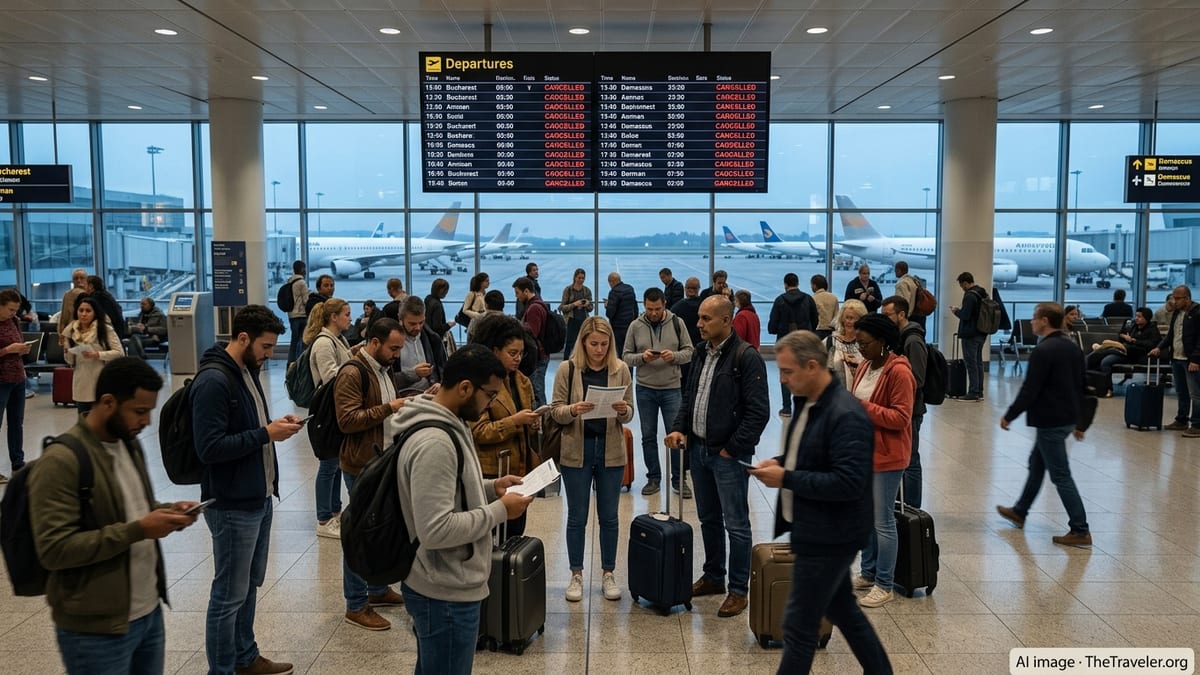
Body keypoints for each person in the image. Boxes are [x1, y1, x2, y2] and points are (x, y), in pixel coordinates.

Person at [28, 358, 201, 675]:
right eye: (138, 411)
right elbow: (54, 550)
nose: (147, 421)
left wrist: (166, 512)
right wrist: (139, 529)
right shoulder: (61, 461)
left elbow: (134, 509)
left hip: (148, 612)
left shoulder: (128, 445)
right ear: (107, 402)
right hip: (95, 629)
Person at [747, 332, 892, 675]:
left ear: (812, 366)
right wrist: (780, 461)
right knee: (843, 610)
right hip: (815, 526)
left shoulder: (845, 414)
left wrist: (786, 478)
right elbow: (810, 454)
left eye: (787, 371)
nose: (781, 379)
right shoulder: (811, 401)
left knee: (798, 628)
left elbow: (847, 482)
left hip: (832, 534)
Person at [395, 344, 534, 675]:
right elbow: (436, 529)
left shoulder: (448, 421)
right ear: (465, 388)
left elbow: (449, 489)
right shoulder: (435, 443)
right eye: (489, 395)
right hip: (443, 591)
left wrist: (490, 489)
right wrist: (500, 510)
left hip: (445, 583)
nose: (490, 404)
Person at [193, 305, 302, 675]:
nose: (271, 354)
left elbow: (249, 426)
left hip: (258, 495)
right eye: (267, 347)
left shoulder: (246, 371)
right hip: (231, 504)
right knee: (228, 594)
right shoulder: (214, 381)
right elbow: (209, 448)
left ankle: (245, 656)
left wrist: (272, 426)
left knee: (248, 586)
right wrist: (265, 434)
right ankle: (221, 669)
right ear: (242, 338)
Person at [665, 296, 769, 619]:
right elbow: (690, 396)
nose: (698, 324)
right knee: (708, 519)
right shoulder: (699, 352)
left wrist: (731, 448)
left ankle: (739, 589)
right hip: (698, 450)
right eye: (699, 318)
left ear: (727, 320)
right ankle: (714, 576)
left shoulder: (746, 357)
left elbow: (758, 413)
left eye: (706, 319)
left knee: (736, 524)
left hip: (727, 456)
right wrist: (680, 428)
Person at [334, 317, 411, 631]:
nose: (396, 354)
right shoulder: (353, 372)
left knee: (381, 530)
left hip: (381, 460)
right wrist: (390, 408)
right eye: (393, 348)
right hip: (361, 465)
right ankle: (356, 603)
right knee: (360, 536)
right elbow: (348, 420)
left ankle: (377, 589)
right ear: (375, 342)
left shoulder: (382, 368)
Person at [996, 302, 1093, 548]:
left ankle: (1080, 529)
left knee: (1061, 475)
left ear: (1045, 321)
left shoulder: (1044, 350)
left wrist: (1010, 414)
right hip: (1065, 417)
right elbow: (1083, 386)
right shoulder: (1072, 347)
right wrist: (1081, 422)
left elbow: (1030, 389)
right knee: (1036, 464)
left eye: (1034, 318)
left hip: (1051, 420)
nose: (1031, 322)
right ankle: (1020, 510)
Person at [551, 317, 634, 603]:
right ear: (583, 343)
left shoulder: (621, 369)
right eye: (593, 344)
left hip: (610, 450)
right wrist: (573, 409)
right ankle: (576, 574)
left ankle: (608, 572)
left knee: (609, 516)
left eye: (604, 344)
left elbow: (630, 413)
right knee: (577, 516)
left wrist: (623, 410)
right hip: (577, 449)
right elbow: (555, 411)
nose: (599, 350)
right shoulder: (567, 369)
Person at [848, 314, 914, 608]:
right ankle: (868, 571)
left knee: (883, 521)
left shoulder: (899, 372)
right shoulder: (864, 365)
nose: (860, 348)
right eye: (857, 343)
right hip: (862, 452)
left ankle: (884, 583)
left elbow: (901, 418)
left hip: (888, 455)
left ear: (883, 342)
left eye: (865, 343)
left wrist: (862, 407)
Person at [470, 315, 540, 538]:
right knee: (493, 540)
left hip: (520, 471)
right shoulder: (479, 383)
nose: (518, 359)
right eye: (512, 353)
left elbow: (526, 422)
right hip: (492, 472)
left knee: (515, 537)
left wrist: (532, 422)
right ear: (494, 351)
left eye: (521, 353)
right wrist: (515, 421)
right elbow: (479, 431)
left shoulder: (522, 381)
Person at [622, 287, 693, 497]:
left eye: (658, 309)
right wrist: (642, 358)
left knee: (676, 436)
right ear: (644, 305)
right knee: (648, 436)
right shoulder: (635, 326)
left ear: (664, 305)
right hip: (645, 389)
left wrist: (675, 356)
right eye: (650, 308)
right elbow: (625, 356)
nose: (653, 313)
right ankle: (654, 478)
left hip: (672, 388)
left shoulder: (677, 323)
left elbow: (689, 351)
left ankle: (679, 480)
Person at [304, 298, 353, 540]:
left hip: (337, 410)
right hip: (327, 412)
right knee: (328, 465)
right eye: (346, 314)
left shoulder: (338, 340)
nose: (349, 318)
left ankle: (335, 510)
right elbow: (330, 376)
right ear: (333, 317)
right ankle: (324, 518)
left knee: (336, 463)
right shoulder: (324, 343)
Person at [1149, 285, 1200, 436]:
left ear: (1187, 298)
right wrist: (1160, 347)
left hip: (1190, 360)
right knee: (1181, 392)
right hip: (1177, 357)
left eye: (1177, 298)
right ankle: (1182, 420)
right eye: (1173, 298)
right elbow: (1171, 335)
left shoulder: (1197, 313)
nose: (1174, 301)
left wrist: (1196, 360)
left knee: (1196, 393)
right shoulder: (1177, 313)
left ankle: (1197, 424)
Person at [63, 296, 125, 416]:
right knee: (84, 420)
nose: (84, 314)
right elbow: (70, 361)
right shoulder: (71, 331)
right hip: (81, 380)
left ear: (95, 313)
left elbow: (119, 352)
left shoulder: (104, 329)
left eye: (88, 311)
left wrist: (97, 354)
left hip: (100, 379)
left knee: (101, 420)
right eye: (81, 310)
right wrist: (67, 351)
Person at [768, 274, 818, 415]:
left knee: (786, 374)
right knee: (803, 372)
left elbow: (772, 327)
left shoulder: (779, 301)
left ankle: (787, 407)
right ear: (797, 283)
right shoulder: (808, 299)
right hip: (803, 343)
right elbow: (815, 321)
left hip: (785, 343)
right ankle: (802, 406)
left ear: (785, 284)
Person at [1085, 307, 1159, 397]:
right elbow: (1120, 336)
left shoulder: (1152, 329)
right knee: (1094, 359)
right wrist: (1123, 337)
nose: (1136, 318)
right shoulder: (1132, 325)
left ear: (1146, 318)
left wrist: (1134, 341)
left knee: (1105, 361)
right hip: (1122, 351)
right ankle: (1095, 386)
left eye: (1139, 316)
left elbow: (1152, 344)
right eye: (1136, 316)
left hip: (1135, 355)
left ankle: (1108, 389)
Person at [0, 289, 31, 482]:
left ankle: (18, 462)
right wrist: (7, 350)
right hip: (1, 380)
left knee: (16, 422)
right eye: (11, 309)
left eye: (16, 310)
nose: (14, 313)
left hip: (17, 377)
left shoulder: (15, 321)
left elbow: (18, 343)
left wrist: (21, 350)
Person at [394, 296, 448, 395]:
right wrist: (413, 374)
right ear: (400, 318)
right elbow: (382, 379)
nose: (418, 327)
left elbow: (444, 369)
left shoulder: (433, 339)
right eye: (412, 324)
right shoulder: (390, 343)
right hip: (401, 398)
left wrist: (441, 384)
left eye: (421, 322)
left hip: (430, 397)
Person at [512, 277, 550, 407]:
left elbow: (532, 332)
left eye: (518, 293)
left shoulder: (534, 308)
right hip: (541, 353)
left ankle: (543, 421)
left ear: (526, 291)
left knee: (537, 391)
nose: (517, 297)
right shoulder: (538, 304)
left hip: (538, 355)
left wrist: (518, 326)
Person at [950, 271, 987, 401]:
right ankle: (979, 391)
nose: (962, 288)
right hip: (981, 332)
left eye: (961, 285)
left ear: (965, 283)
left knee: (971, 363)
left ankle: (973, 392)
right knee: (978, 363)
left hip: (970, 334)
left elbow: (965, 315)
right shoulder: (982, 292)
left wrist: (956, 311)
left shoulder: (970, 296)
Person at [670, 276, 703, 385]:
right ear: (698, 289)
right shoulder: (705, 306)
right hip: (703, 351)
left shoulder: (677, 308)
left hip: (684, 353)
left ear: (686, 289)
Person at [827, 299, 867, 387]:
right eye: (847, 318)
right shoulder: (830, 341)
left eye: (852, 318)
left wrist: (858, 364)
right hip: (836, 394)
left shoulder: (868, 343)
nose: (849, 321)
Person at [77, 276, 129, 342]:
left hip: (111, 332)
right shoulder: (106, 295)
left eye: (85, 284)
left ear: (90, 286)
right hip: (119, 330)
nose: (84, 287)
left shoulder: (95, 299)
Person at [559, 267, 593, 358]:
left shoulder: (587, 291)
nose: (581, 280)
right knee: (570, 344)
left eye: (583, 278)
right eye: (579, 278)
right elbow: (562, 307)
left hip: (583, 320)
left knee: (584, 342)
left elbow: (591, 308)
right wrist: (574, 304)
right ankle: (566, 363)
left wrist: (587, 304)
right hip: (571, 320)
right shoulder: (568, 290)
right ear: (575, 277)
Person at [283, 261, 309, 365]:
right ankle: (299, 363)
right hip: (301, 315)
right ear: (303, 269)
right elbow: (305, 300)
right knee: (301, 340)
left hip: (291, 315)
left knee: (293, 341)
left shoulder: (290, 281)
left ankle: (290, 363)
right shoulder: (302, 283)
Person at [604, 271, 637, 355]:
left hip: (617, 328)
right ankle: (628, 368)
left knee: (618, 352)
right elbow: (635, 307)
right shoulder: (630, 289)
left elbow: (610, 313)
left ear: (612, 282)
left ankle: (620, 368)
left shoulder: (614, 292)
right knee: (629, 351)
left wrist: (607, 306)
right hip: (630, 326)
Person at [892, 261, 925, 329]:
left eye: (895, 270)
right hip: (918, 314)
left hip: (909, 316)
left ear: (899, 270)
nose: (894, 272)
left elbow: (903, 302)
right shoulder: (913, 280)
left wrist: (901, 317)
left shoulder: (901, 283)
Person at [58, 268, 88, 337]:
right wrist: (61, 333)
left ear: (87, 280)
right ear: (72, 281)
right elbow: (64, 316)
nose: (79, 280)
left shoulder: (90, 294)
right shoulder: (68, 295)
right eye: (76, 278)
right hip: (71, 332)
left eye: (82, 278)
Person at [810, 274, 839, 340]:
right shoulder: (834, 298)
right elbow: (837, 317)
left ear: (814, 286)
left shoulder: (813, 298)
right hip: (831, 331)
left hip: (817, 331)